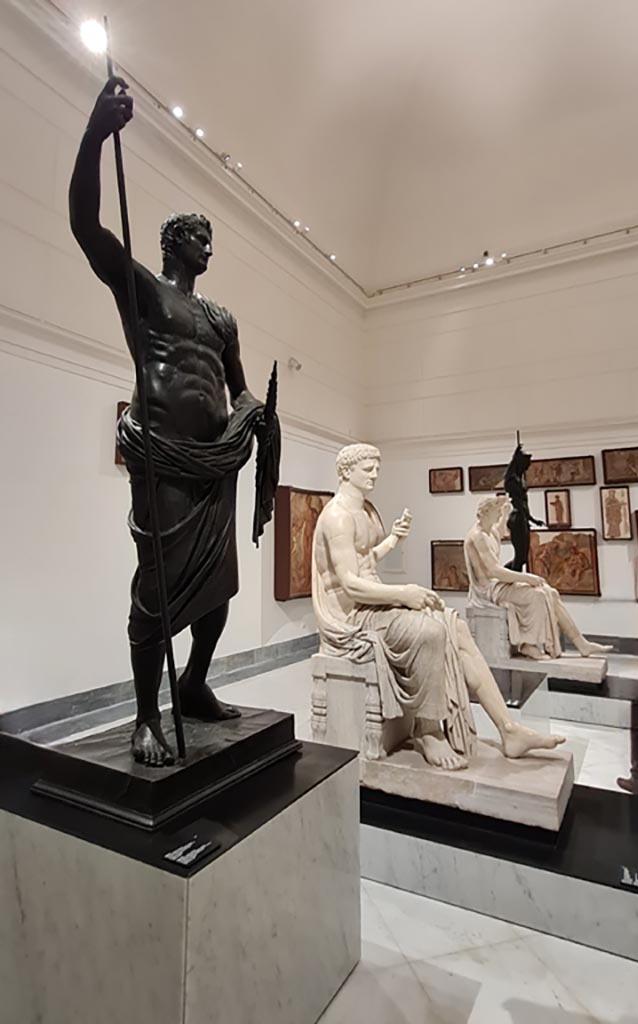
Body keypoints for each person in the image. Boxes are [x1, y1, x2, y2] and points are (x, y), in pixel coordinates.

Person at [69, 78, 279, 766]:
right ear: (172, 241)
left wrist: (255, 424)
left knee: (218, 587)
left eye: (211, 239)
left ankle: (194, 683)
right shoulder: (142, 290)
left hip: (215, 465)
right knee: (157, 590)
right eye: (199, 237)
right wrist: (96, 134)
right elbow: (85, 226)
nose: (208, 247)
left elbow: (242, 392)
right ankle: (143, 717)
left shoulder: (221, 317)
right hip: (163, 457)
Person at [312, 444, 565, 771]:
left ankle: (509, 729)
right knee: (431, 632)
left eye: (377, 467)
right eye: (368, 468)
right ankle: (428, 729)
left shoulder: (366, 511)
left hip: (373, 605)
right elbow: (350, 583)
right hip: (351, 617)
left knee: (455, 625)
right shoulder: (337, 516)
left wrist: (392, 540)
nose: (375, 473)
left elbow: (366, 561)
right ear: (346, 471)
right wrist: (403, 593)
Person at [465, 495, 611, 659]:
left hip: (497, 584)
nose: (499, 515)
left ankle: (581, 643)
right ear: (486, 513)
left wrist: (506, 511)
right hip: (488, 591)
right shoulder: (477, 537)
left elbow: (499, 531)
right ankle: (528, 644)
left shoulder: (490, 531)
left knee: (551, 593)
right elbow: (493, 571)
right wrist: (526, 578)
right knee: (536, 595)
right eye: (496, 512)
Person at [503, 443, 544, 571]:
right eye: (525, 466)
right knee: (520, 556)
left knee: (523, 557)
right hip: (517, 519)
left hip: (522, 518)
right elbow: (520, 504)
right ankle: (510, 579)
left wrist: (532, 520)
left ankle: (507, 575)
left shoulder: (520, 479)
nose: (526, 469)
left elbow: (524, 505)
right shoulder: (512, 480)